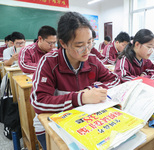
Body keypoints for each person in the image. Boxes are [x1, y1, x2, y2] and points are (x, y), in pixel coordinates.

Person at [30, 11, 120, 150]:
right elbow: (38, 101)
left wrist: (92, 90)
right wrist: (80, 97)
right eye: (79, 45)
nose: (87, 50)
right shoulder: (49, 62)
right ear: (63, 43)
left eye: (90, 42)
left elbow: (114, 79)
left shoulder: (93, 61)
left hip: (84, 120)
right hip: (50, 125)